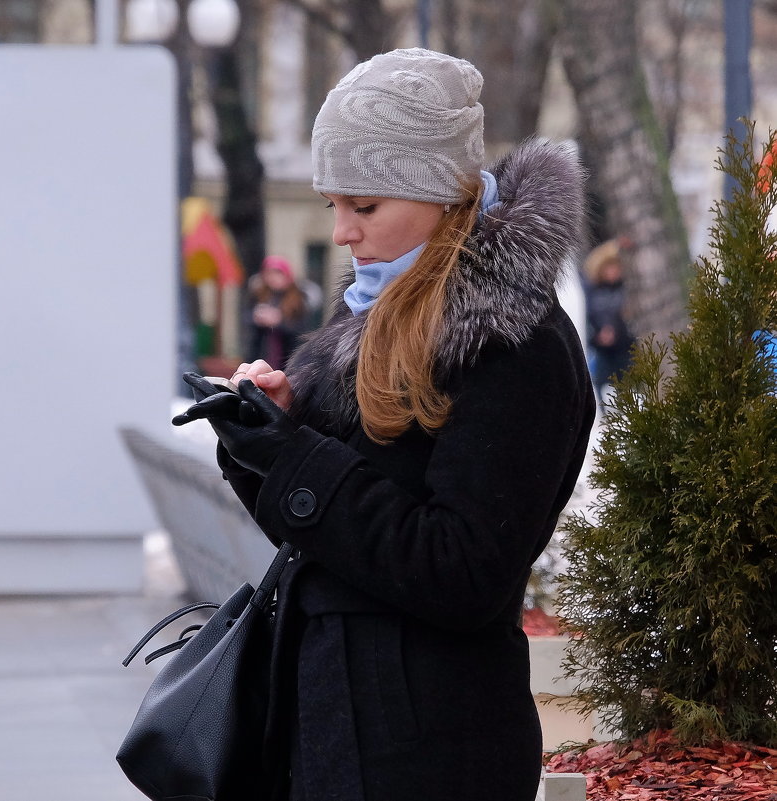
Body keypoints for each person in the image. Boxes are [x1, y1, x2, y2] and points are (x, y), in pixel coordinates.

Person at [173, 48, 595, 801]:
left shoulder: (515, 342)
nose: (341, 233)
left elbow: (462, 571)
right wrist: (262, 441)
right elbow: (332, 543)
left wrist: (297, 459)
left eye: (363, 207)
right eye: (334, 204)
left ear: (442, 194)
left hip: (428, 749)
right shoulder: (373, 311)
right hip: (336, 728)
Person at [584, 238, 635, 408]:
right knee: (601, 381)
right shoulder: (591, 291)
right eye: (610, 268)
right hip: (601, 349)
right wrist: (616, 245)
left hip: (621, 345)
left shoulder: (619, 288)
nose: (615, 272)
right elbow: (597, 259)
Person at [246, 255, 310, 370]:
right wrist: (257, 318)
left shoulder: (298, 299)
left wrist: (279, 322)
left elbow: (301, 332)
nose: (273, 278)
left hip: (287, 359)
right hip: (260, 356)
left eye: (277, 273)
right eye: (269, 273)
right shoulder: (259, 295)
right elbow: (246, 318)